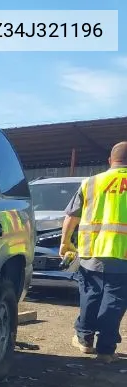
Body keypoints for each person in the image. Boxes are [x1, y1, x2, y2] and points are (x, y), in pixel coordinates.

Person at [60, 141, 127, 363]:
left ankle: (85, 341)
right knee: (114, 299)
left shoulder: (91, 182)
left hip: (92, 251)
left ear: (110, 160)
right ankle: (106, 350)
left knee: (90, 294)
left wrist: (65, 242)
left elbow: (72, 216)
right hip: (123, 254)